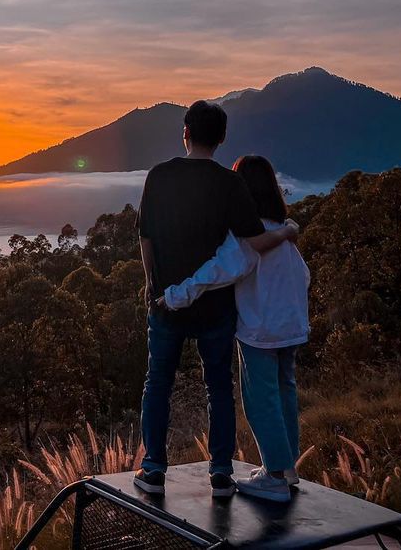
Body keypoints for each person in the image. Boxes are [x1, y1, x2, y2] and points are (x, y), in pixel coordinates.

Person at [134, 101, 298, 497]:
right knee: (219, 386)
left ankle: (154, 468)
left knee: (158, 383)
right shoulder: (230, 183)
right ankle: (221, 473)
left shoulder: (159, 175)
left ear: (185, 131)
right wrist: (289, 229)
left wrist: (151, 284)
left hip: (166, 304)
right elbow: (255, 241)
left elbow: (146, 237)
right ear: (222, 138)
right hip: (216, 307)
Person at [160, 154, 310, 503]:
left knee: (261, 401)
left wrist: (173, 296)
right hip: (292, 327)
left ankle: (273, 476)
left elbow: (217, 272)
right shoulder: (282, 231)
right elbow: (304, 277)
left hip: (261, 329)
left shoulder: (249, 235)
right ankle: (287, 470)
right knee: (285, 393)